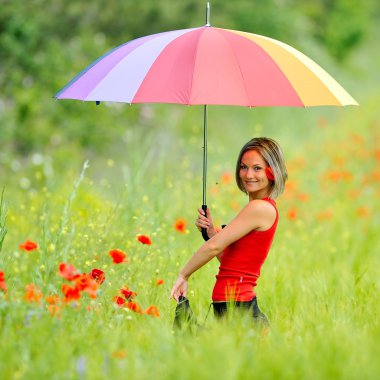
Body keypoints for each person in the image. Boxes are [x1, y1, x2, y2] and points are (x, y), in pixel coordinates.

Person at [170, 137, 287, 324]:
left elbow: (214, 247)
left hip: (239, 308)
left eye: (257, 168)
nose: (248, 175)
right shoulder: (259, 207)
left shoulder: (259, 208)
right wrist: (210, 233)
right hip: (231, 307)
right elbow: (231, 263)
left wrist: (183, 274)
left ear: (272, 172)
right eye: (243, 167)